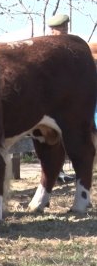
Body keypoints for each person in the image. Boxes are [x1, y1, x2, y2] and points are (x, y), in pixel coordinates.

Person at [47, 14, 75, 183]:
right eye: (60, 29)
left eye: (65, 28)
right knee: (50, 138)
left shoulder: (69, 46)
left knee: (63, 137)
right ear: (52, 30)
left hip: (65, 99)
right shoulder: (48, 48)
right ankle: (54, 171)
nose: (64, 31)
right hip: (49, 100)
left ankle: (59, 171)